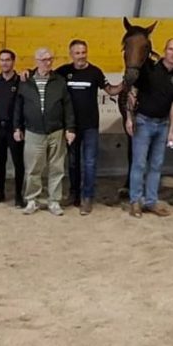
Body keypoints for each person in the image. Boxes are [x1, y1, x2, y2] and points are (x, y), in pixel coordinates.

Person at [55, 39, 123, 215]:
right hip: (71, 127)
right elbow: (45, 76)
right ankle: (74, 195)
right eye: (77, 53)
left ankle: (87, 198)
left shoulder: (95, 72)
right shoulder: (63, 72)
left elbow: (111, 90)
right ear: (71, 54)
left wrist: (126, 82)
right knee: (73, 163)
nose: (81, 56)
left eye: (83, 52)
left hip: (90, 126)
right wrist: (28, 72)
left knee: (90, 163)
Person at [125, 38, 173, 218]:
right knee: (139, 164)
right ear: (165, 51)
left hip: (163, 125)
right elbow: (132, 93)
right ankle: (135, 201)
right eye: (171, 49)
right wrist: (129, 118)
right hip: (144, 122)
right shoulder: (149, 70)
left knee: (156, 165)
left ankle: (151, 202)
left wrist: (171, 131)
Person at [13, 47, 75, 216]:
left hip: (56, 131)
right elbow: (18, 106)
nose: (48, 63)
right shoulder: (25, 81)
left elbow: (68, 106)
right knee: (33, 169)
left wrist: (70, 128)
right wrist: (17, 127)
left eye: (50, 59)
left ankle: (54, 201)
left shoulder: (59, 81)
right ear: (36, 61)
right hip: (33, 132)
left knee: (57, 168)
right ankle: (32, 200)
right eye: (44, 60)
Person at [0, 49, 25, 208]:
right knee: (0, 161)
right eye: (2, 60)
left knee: (18, 162)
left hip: (15, 128)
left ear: (13, 61)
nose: (4, 63)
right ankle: (0, 192)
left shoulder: (21, 81)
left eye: (8, 60)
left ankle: (18, 195)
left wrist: (19, 127)